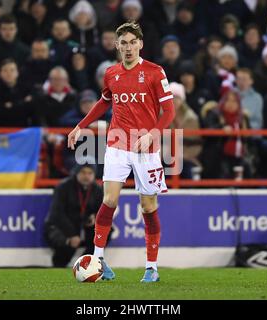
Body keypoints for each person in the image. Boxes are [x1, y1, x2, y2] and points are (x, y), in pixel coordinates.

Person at [67, 22, 175, 282]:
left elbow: (169, 111)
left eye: (132, 42)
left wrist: (152, 134)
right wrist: (81, 126)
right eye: (123, 43)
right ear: (117, 46)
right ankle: (99, 259)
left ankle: (151, 267)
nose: (128, 48)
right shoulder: (111, 73)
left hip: (147, 149)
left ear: (140, 44)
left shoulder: (154, 72)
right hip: (117, 145)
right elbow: (105, 101)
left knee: (148, 207)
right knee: (109, 201)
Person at [44, 160, 105, 267]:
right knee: (65, 245)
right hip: (63, 227)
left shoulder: (97, 189)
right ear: (76, 172)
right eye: (83, 172)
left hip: (84, 226)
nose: (86, 176)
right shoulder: (63, 187)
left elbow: (102, 211)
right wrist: (72, 234)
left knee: (105, 231)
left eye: (90, 173)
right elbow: (56, 214)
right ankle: (59, 265)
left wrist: (95, 217)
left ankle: (87, 264)